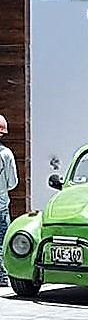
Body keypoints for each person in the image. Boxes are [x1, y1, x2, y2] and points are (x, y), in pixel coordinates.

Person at [0, 114, 16, 287]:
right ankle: (2, 275)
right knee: (1, 239)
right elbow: (13, 183)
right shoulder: (6, 154)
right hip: (1, 202)